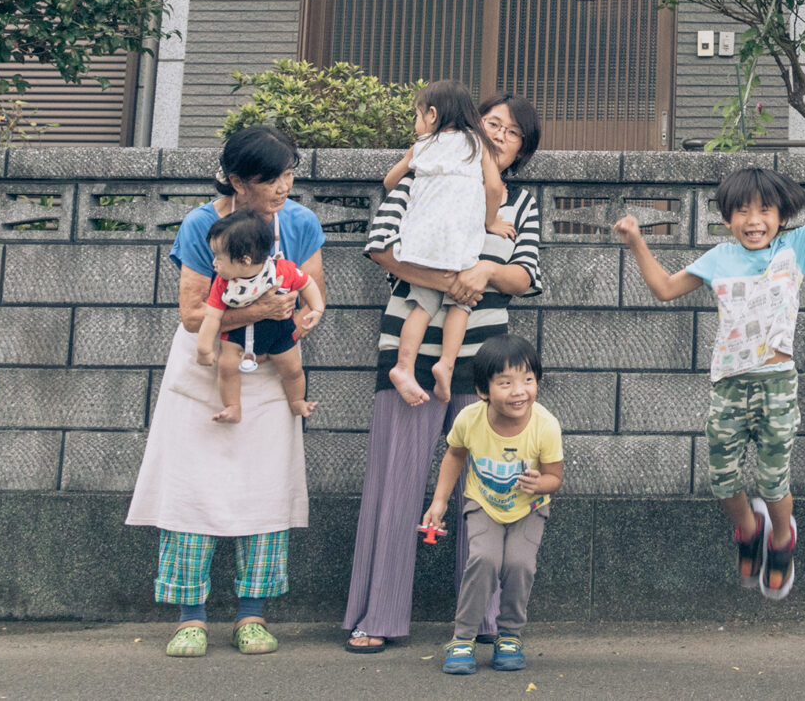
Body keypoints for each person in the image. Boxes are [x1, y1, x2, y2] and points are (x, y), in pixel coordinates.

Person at [615, 163, 805, 601]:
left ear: (781, 217)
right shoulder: (717, 258)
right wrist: (637, 242)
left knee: (773, 481)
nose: (754, 222)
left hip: (776, 384)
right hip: (728, 385)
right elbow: (664, 288)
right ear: (728, 218)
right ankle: (749, 531)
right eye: (743, 213)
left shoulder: (794, 247)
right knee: (722, 479)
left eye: (765, 211)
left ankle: (781, 540)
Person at [340, 93, 545, 657]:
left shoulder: (518, 201)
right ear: (469, 128)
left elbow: (524, 274)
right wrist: (448, 275)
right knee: (396, 483)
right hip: (406, 347)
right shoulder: (422, 175)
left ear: (521, 150)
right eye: (491, 123)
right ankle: (377, 611)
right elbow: (380, 247)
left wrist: (482, 269)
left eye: (512, 132)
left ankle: (483, 620)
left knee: (484, 490)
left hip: (485, 363)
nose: (499, 134)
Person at [127, 124, 324, 658]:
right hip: (208, 371)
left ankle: (251, 615)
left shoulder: (301, 222)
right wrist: (260, 310)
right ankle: (190, 617)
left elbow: (313, 295)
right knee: (192, 490)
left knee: (264, 491)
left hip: (268, 378)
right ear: (237, 180)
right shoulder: (201, 224)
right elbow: (193, 314)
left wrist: (303, 320)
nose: (283, 186)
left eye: (288, 174)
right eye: (270, 178)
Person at [420, 334, 563, 676]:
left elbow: (555, 478)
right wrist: (438, 503)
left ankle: (510, 634)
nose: (519, 391)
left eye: (528, 380)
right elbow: (455, 456)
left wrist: (539, 483)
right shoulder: (470, 418)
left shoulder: (545, 426)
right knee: (484, 559)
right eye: (506, 382)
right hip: (482, 502)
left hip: (529, 507)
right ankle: (463, 638)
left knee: (518, 564)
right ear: (484, 390)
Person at [381, 79, 508, 404]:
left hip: (420, 242)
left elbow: (390, 181)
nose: (416, 123)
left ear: (433, 115)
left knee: (422, 306)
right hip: (459, 241)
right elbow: (493, 188)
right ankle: (446, 365)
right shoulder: (478, 144)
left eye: (417, 116)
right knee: (461, 304)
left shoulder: (423, 145)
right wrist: (491, 221)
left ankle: (404, 366)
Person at [194, 208, 324, 423]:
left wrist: (317, 308)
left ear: (244, 261)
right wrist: (204, 349)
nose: (214, 264)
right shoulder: (223, 283)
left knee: (292, 369)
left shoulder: (281, 270)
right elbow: (212, 317)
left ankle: (297, 400)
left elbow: (307, 282)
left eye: (219, 258)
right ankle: (233, 406)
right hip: (236, 336)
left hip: (278, 333)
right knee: (227, 366)